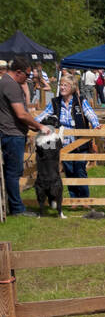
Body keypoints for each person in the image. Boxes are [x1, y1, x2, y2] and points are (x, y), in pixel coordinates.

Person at [36, 71, 102, 205]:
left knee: (80, 170)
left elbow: (91, 115)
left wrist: (96, 125)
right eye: (61, 85)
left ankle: (84, 200)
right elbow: (42, 116)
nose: (62, 87)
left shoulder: (80, 100)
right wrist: (33, 123)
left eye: (65, 85)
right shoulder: (55, 102)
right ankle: (73, 200)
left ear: (72, 87)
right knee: (69, 171)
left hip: (80, 143)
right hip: (64, 145)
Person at [1, 57, 52, 214]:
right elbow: (21, 114)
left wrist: (31, 125)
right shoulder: (11, 86)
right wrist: (40, 126)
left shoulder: (4, 82)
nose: (28, 78)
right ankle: (17, 208)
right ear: (18, 72)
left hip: (9, 131)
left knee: (9, 172)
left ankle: (10, 205)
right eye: (27, 75)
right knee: (13, 172)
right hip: (12, 134)